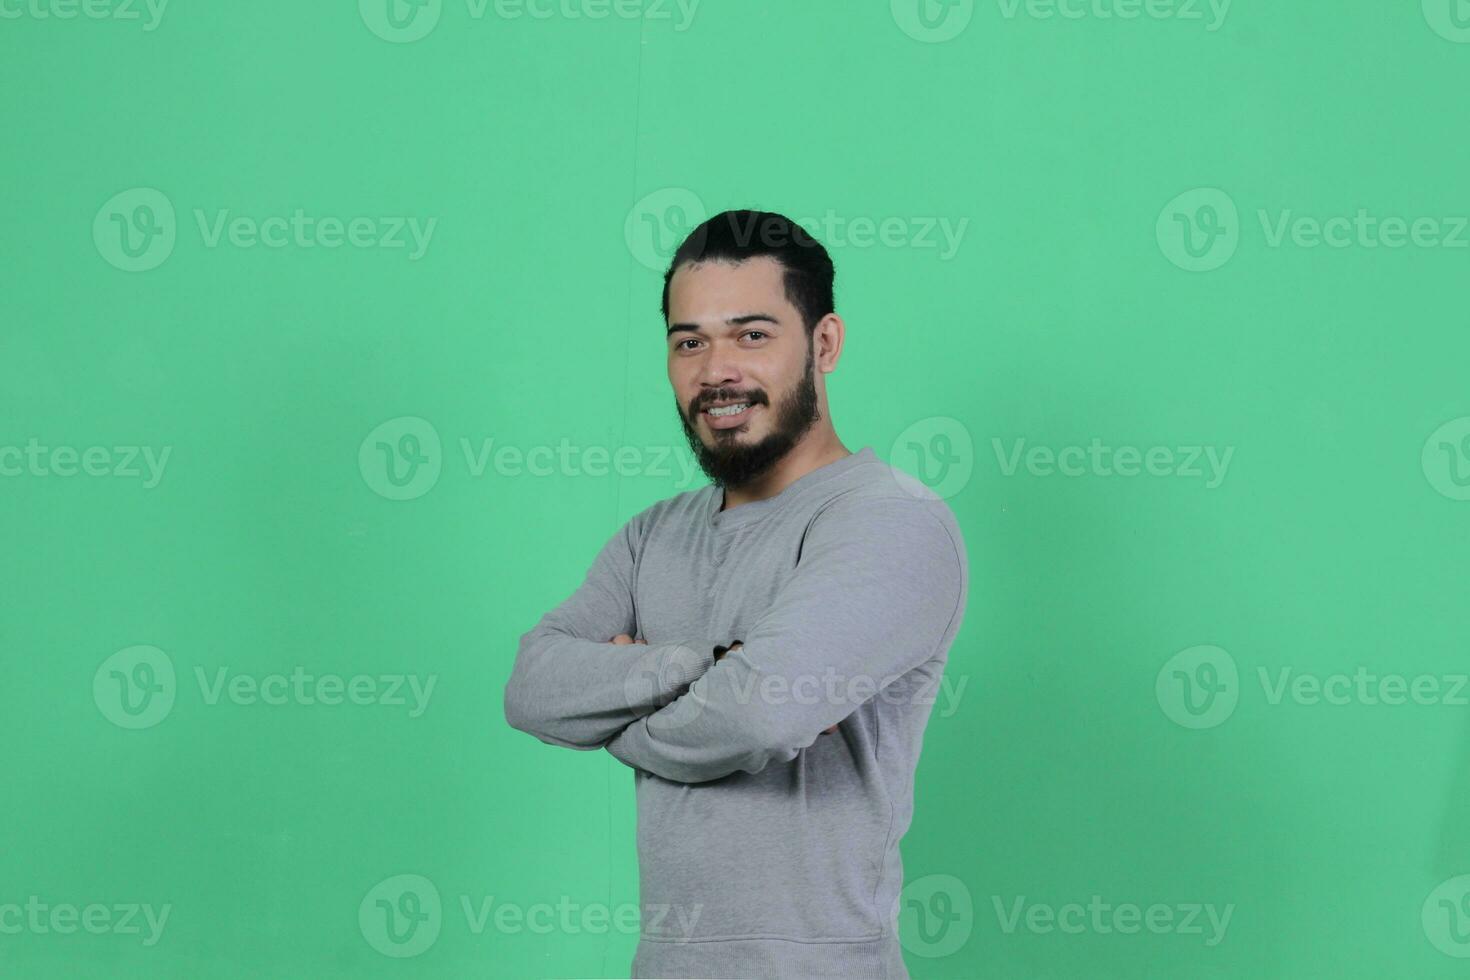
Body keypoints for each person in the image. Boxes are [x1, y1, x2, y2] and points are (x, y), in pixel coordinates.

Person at [504, 209, 968, 979]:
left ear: (824, 344)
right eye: (690, 341)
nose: (716, 369)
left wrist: (612, 713)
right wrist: (704, 665)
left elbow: (758, 715)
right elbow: (530, 688)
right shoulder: (653, 534)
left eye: (752, 334)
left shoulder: (892, 521)